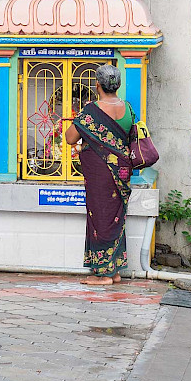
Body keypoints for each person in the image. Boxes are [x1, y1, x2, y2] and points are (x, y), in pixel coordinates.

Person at [64, 63, 134, 284]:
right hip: (122, 173)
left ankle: (104, 274)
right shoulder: (129, 109)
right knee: (116, 217)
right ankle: (115, 269)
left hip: (101, 174)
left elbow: (69, 138)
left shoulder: (91, 112)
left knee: (101, 218)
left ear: (97, 85)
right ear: (118, 85)